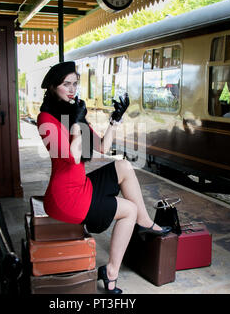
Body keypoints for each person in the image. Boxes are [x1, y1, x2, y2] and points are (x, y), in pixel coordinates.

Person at [37, 61, 171, 294]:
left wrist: (115, 120)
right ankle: (110, 273)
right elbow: (71, 157)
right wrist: (77, 123)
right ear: (52, 87)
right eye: (65, 84)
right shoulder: (46, 119)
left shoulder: (72, 111)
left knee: (123, 166)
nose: (72, 89)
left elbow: (102, 147)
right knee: (128, 209)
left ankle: (145, 222)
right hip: (65, 198)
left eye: (75, 84)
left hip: (80, 185)